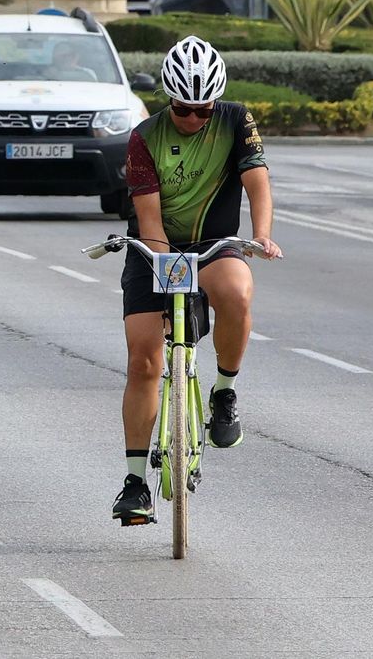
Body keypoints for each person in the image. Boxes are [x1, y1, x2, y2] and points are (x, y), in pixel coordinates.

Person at [111, 35, 282, 524]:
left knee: (236, 289)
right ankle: (135, 483)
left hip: (213, 243)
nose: (193, 119)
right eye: (184, 109)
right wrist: (168, 284)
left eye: (202, 110)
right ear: (170, 100)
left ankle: (224, 391)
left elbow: (257, 182)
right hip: (155, 246)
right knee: (143, 361)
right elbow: (150, 220)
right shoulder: (145, 137)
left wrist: (262, 235)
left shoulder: (235, 120)